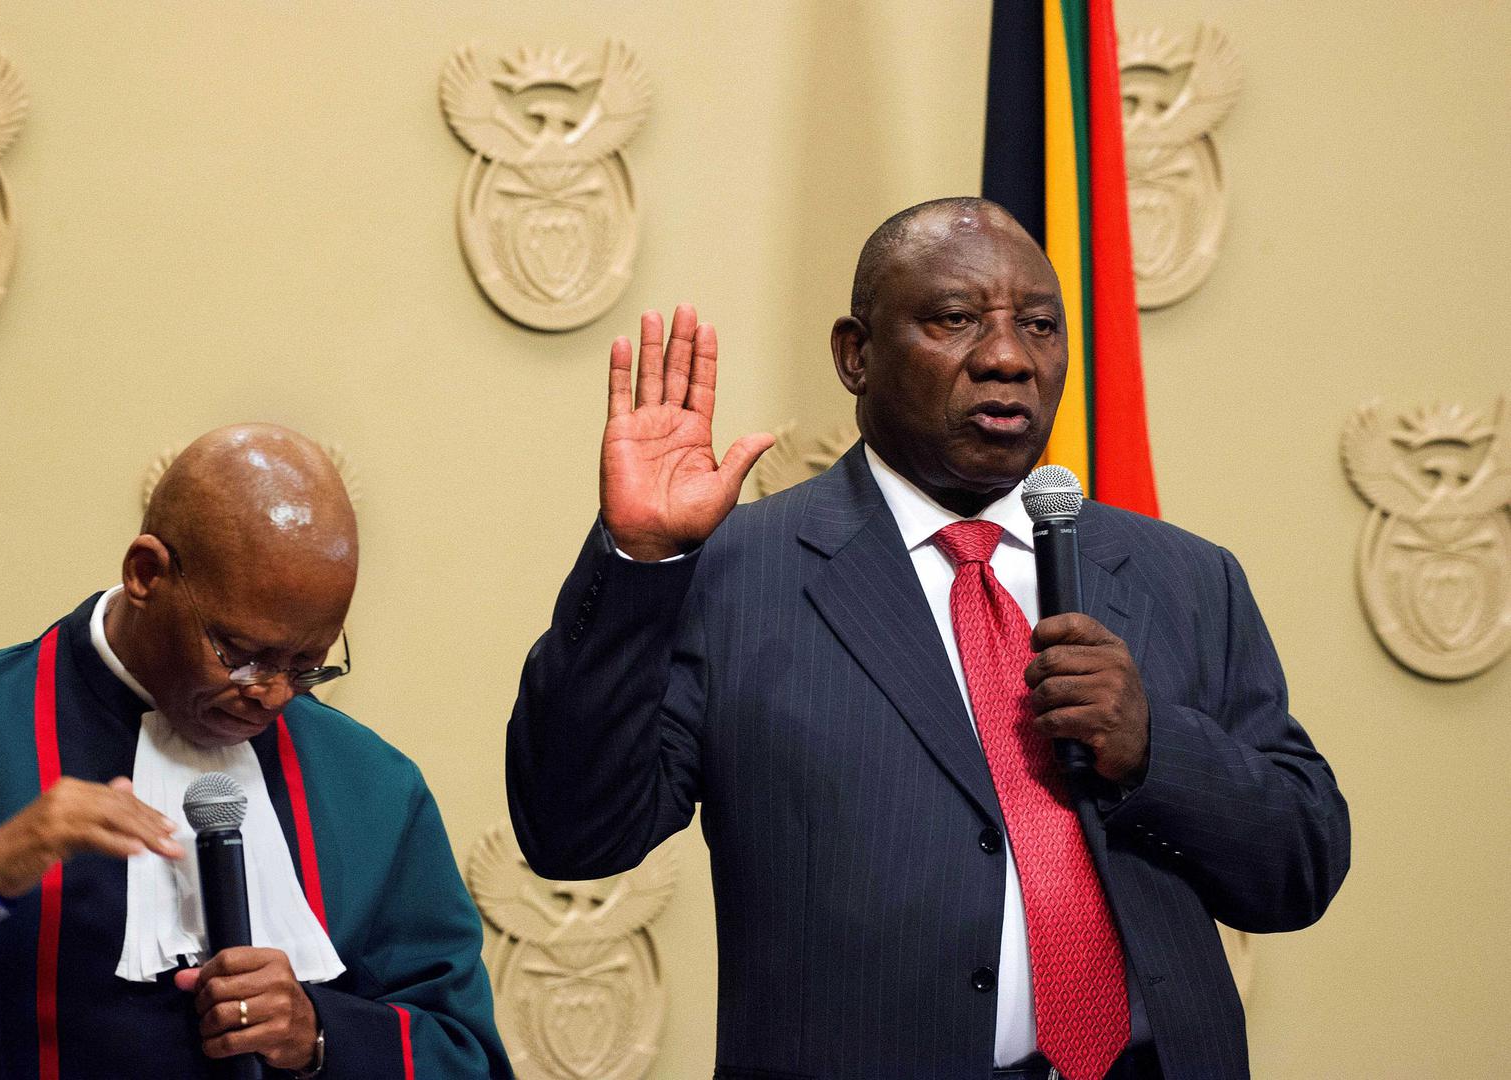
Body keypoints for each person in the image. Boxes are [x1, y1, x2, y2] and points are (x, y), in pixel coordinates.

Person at [507, 197, 1350, 1080]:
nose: (1008, 358)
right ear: (856, 355)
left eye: (1039, 325)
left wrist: (1154, 750)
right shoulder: (731, 575)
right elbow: (575, 834)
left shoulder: (1185, 577)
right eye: (954, 319)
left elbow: (1300, 865)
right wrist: (641, 558)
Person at [0, 424, 511, 1079]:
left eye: (308, 664)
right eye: (241, 654)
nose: (272, 694)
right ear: (145, 574)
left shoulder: (376, 789)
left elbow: (462, 1053)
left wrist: (319, 1035)